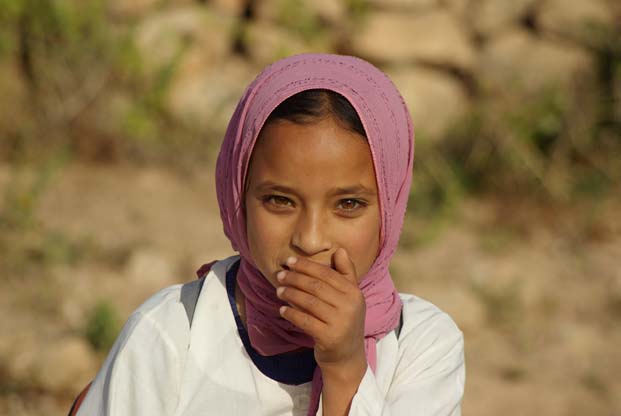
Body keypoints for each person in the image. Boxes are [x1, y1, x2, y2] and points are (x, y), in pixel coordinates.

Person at [75, 53, 465, 415]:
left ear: (391, 207)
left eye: (348, 204)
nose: (310, 240)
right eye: (280, 200)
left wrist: (346, 370)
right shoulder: (171, 332)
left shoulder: (423, 346)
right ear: (237, 197)